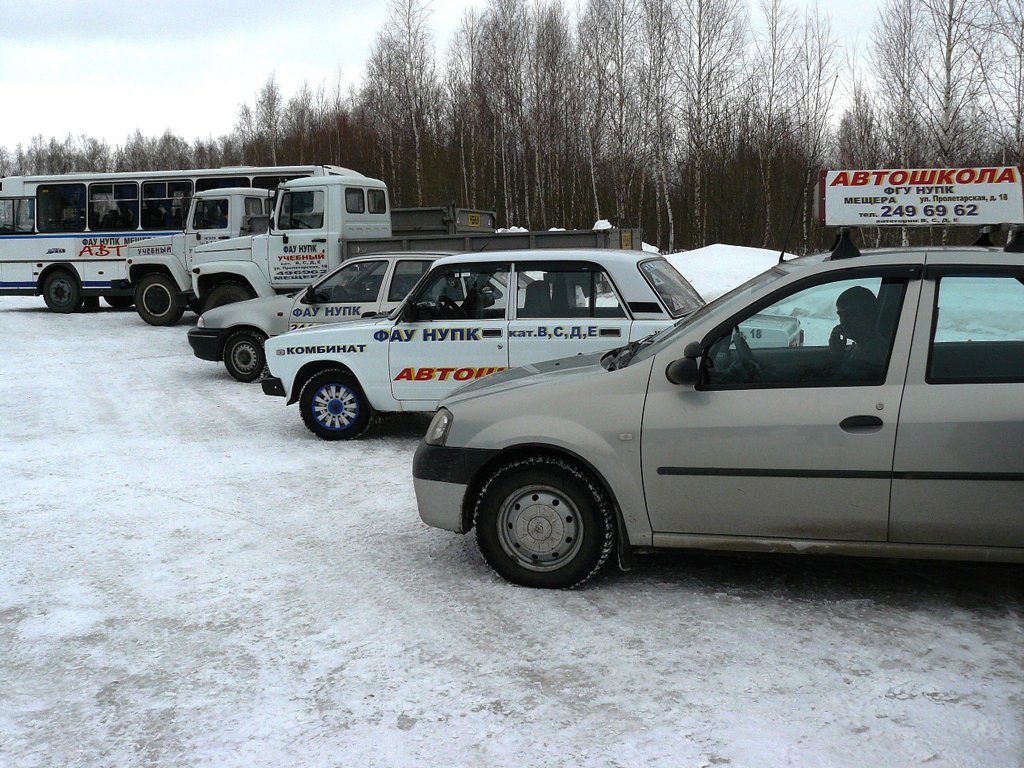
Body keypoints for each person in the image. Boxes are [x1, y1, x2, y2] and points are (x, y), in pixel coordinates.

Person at [829, 286, 888, 380]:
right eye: (841, 315)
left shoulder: (875, 356)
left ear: (870, 314)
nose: (843, 321)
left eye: (851, 314)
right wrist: (838, 353)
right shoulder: (861, 348)